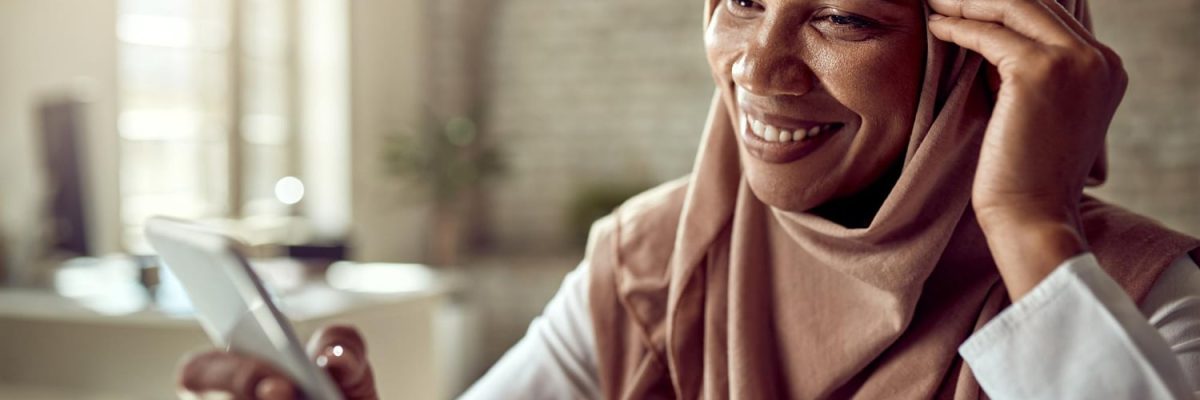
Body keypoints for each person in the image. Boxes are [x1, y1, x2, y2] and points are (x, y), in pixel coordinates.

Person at [177, 0, 1200, 398]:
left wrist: (1030, 222)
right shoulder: (652, 258)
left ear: (980, 55)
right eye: (743, 1)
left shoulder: (1143, 299)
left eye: (841, 17)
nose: (760, 62)